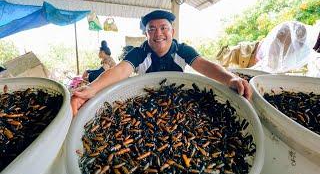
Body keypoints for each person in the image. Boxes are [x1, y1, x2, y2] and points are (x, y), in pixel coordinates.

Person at [71, 10, 252, 116]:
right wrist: (91, 89)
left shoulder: (182, 50)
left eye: (163, 28)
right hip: (146, 103)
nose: (158, 34)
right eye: (152, 29)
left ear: (172, 31)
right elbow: (119, 71)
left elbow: (204, 65)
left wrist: (230, 79)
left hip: (179, 102)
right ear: (146, 34)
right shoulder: (139, 52)